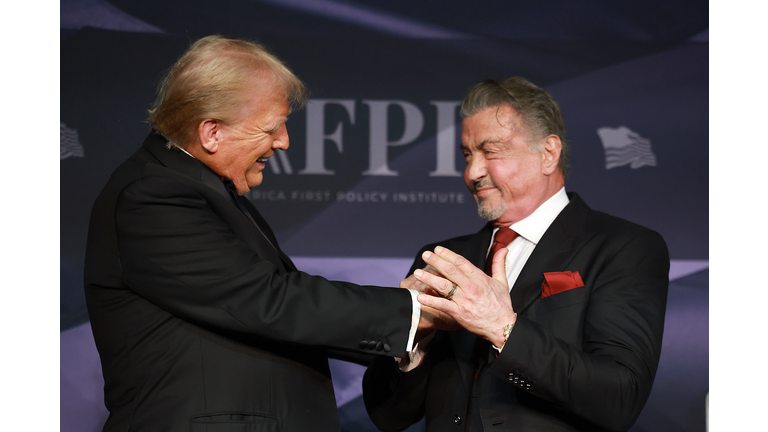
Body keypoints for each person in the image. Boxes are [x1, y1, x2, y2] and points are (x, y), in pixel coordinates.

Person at [83, 35, 437, 432]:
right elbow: (267, 301)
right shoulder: (153, 197)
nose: (283, 142)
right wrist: (412, 311)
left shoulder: (199, 189)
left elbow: (271, 314)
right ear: (211, 133)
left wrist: (407, 330)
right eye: (272, 128)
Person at [363, 77, 669, 432]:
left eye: (490, 151)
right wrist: (414, 340)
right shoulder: (442, 261)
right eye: (467, 155)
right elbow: (388, 416)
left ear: (549, 153)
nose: (473, 172)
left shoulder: (623, 248)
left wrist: (502, 328)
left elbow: (620, 398)